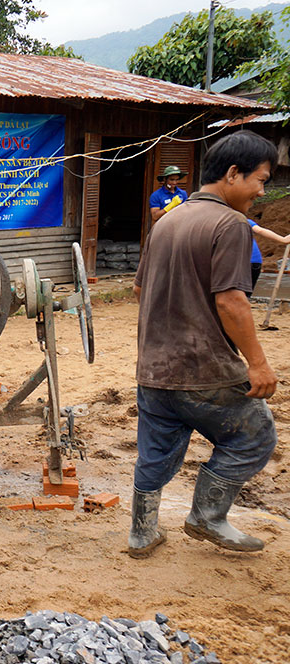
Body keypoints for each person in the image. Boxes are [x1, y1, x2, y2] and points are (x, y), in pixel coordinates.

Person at [128, 131, 278, 559]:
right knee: (254, 436)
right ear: (233, 174)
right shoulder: (229, 224)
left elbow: (141, 290)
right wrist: (259, 364)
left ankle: (142, 533)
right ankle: (207, 516)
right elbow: (231, 301)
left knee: (155, 452)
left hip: (153, 368)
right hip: (202, 369)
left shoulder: (168, 222)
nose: (261, 191)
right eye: (261, 180)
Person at [247, 219, 290, 291]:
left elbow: (260, 231)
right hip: (254, 261)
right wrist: (283, 239)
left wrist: (283, 240)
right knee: (246, 292)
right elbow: (260, 230)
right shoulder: (243, 220)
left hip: (241, 262)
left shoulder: (228, 220)